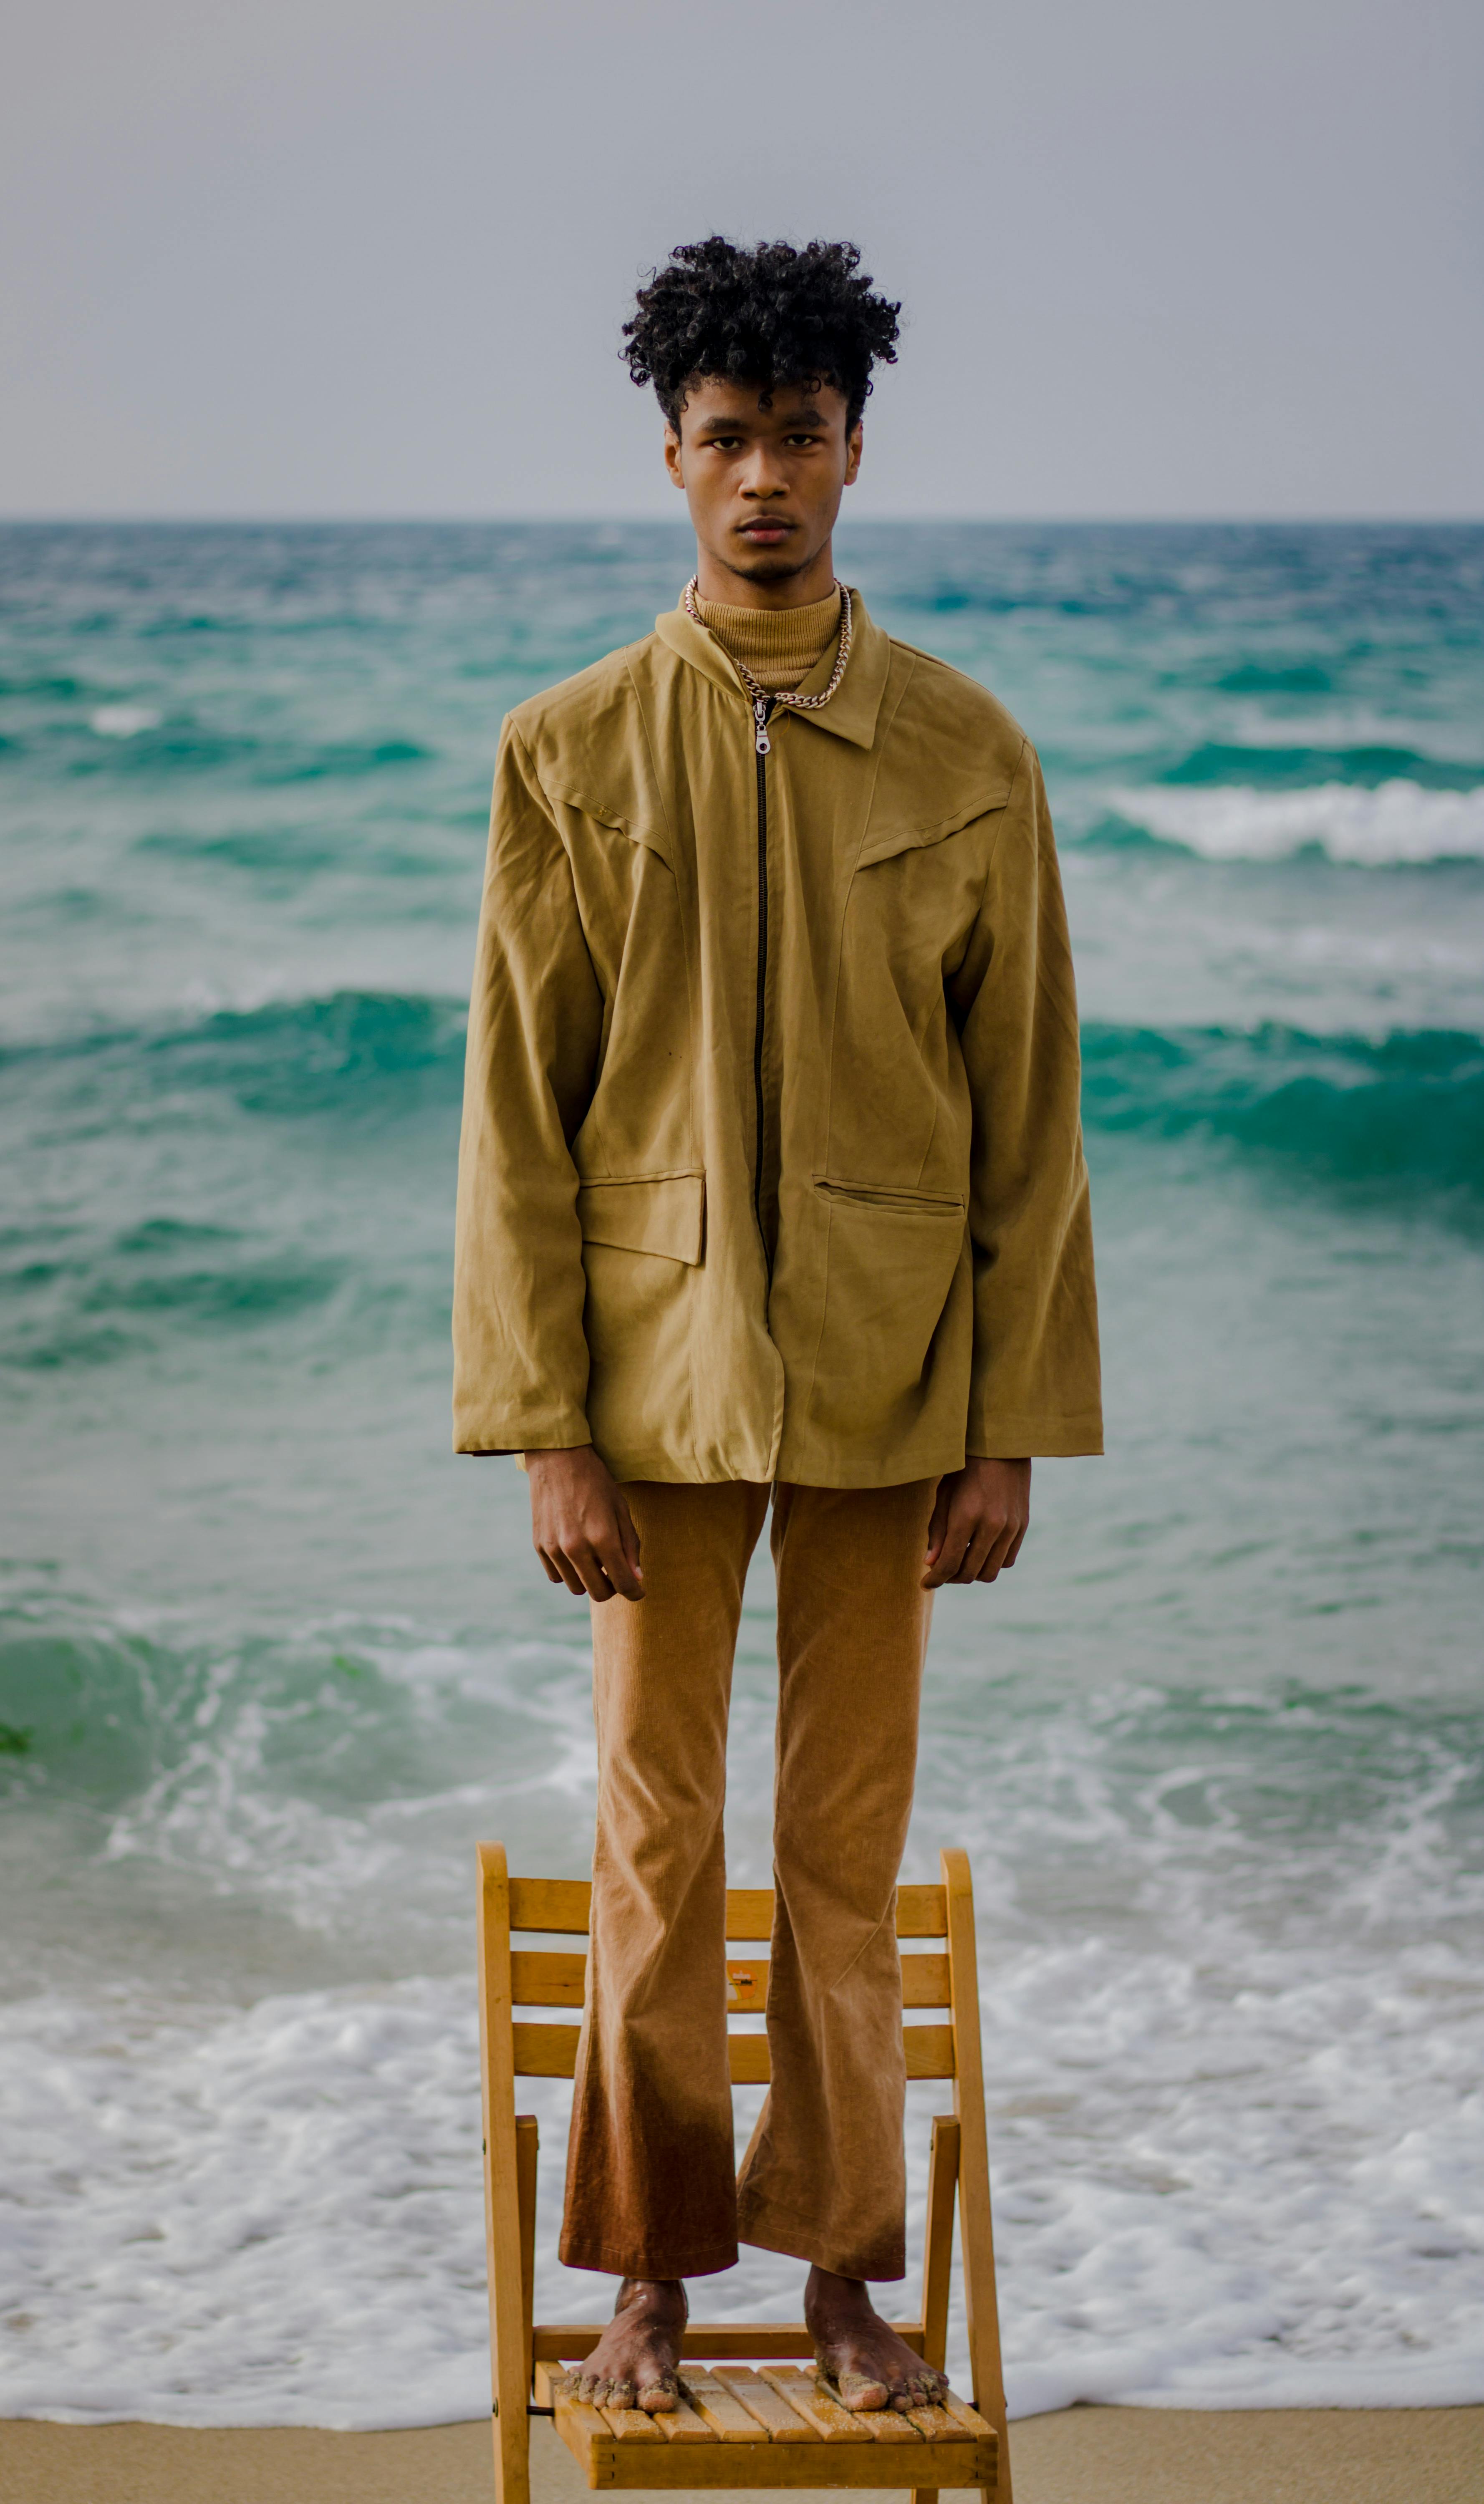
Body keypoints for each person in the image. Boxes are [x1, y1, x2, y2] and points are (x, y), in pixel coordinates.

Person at [453, 236, 1101, 2418]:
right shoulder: (565, 751)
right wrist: (541, 1422)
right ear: (669, 459)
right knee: (655, 1848)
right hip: (650, 1403)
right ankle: (641, 2272)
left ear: (852, 454)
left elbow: (1032, 1123)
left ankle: (838, 2281)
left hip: (896, 1391)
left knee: (839, 1855)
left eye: (798, 438)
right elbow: (514, 1120)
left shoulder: (962, 748)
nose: (761, 480)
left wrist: (1013, 1421)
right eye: (723, 441)